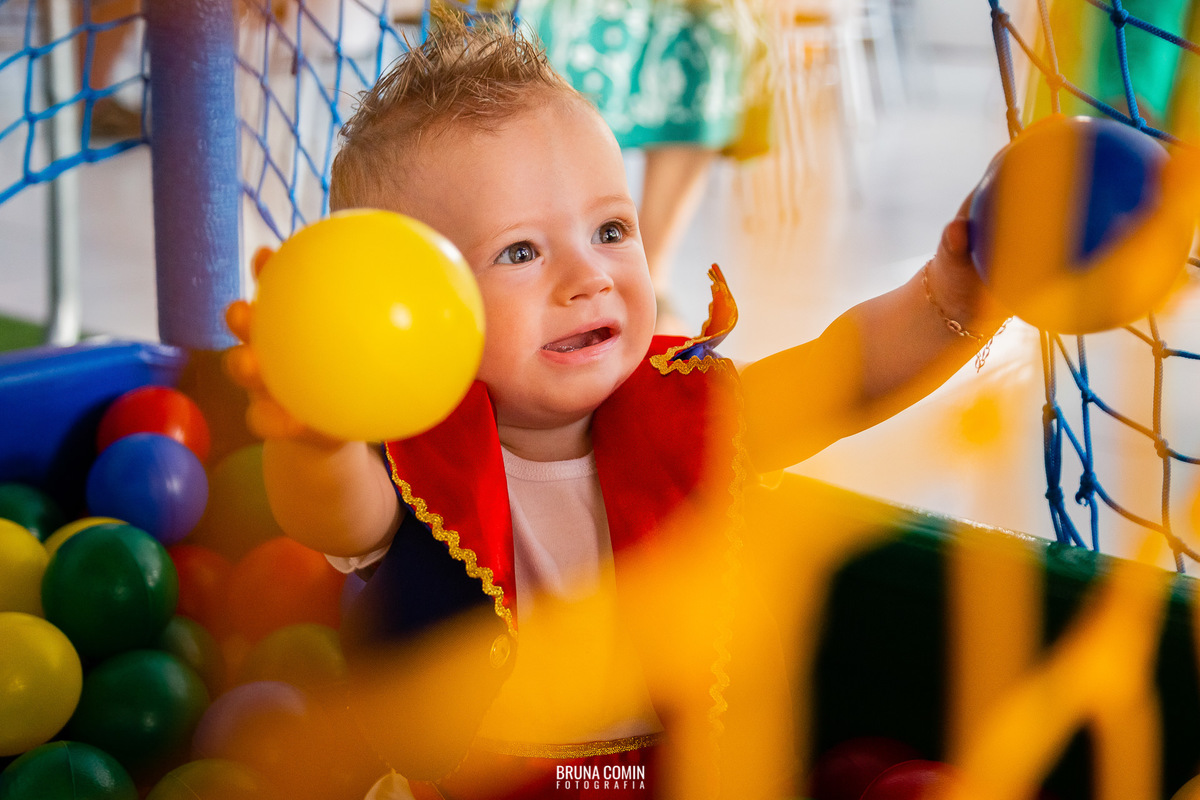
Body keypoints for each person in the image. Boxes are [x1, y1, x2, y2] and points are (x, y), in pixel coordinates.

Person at [224, 12, 1006, 799]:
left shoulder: (685, 410)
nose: (589, 278)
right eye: (520, 251)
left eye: (609, 230)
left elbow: (843, 377)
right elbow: (337, 517)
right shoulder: (413, 447)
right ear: (421, 306)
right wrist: (317, 435)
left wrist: (949, 299)